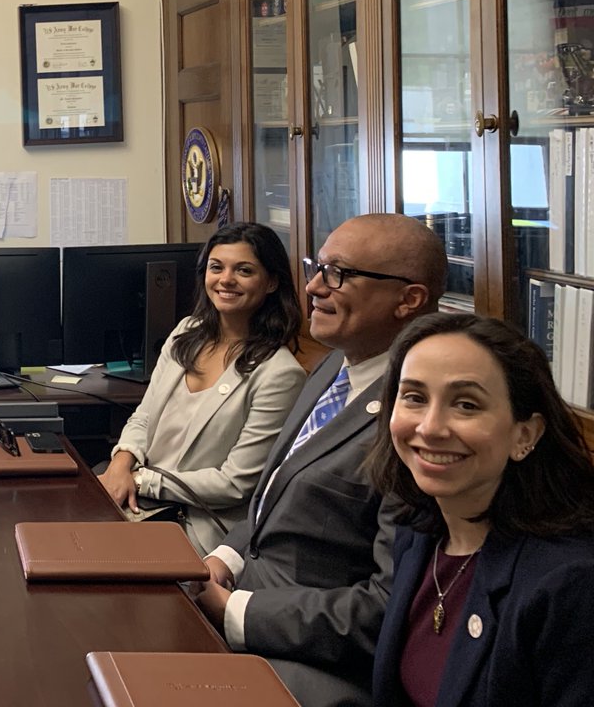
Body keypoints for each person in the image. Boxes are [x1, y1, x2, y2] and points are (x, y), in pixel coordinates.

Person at [192, 213, 448, 707]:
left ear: (409, 299)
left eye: (339, 273)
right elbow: (272, 497)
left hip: (312, 663)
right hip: (241, 604)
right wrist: (222, 559)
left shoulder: (418, 420)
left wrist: (237, 612)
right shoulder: (335, 362)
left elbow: (387, 607)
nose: (312, 286)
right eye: (316, 267)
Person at [366, 313, 594, 706]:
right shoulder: (419, 530)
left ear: (525, 435)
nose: (431, 427)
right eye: (415, 398)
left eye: (466, 404)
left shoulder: (571, 584)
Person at [97, 222, 306, 555]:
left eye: (244, 270)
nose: (226, 279)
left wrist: (140, 480)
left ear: (271, 282)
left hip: (193, 521)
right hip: (138, 499)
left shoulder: (280, 374)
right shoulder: (187, 333)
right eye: (216, 267)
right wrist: (121, 463)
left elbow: (234, 484)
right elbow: (144, 416)